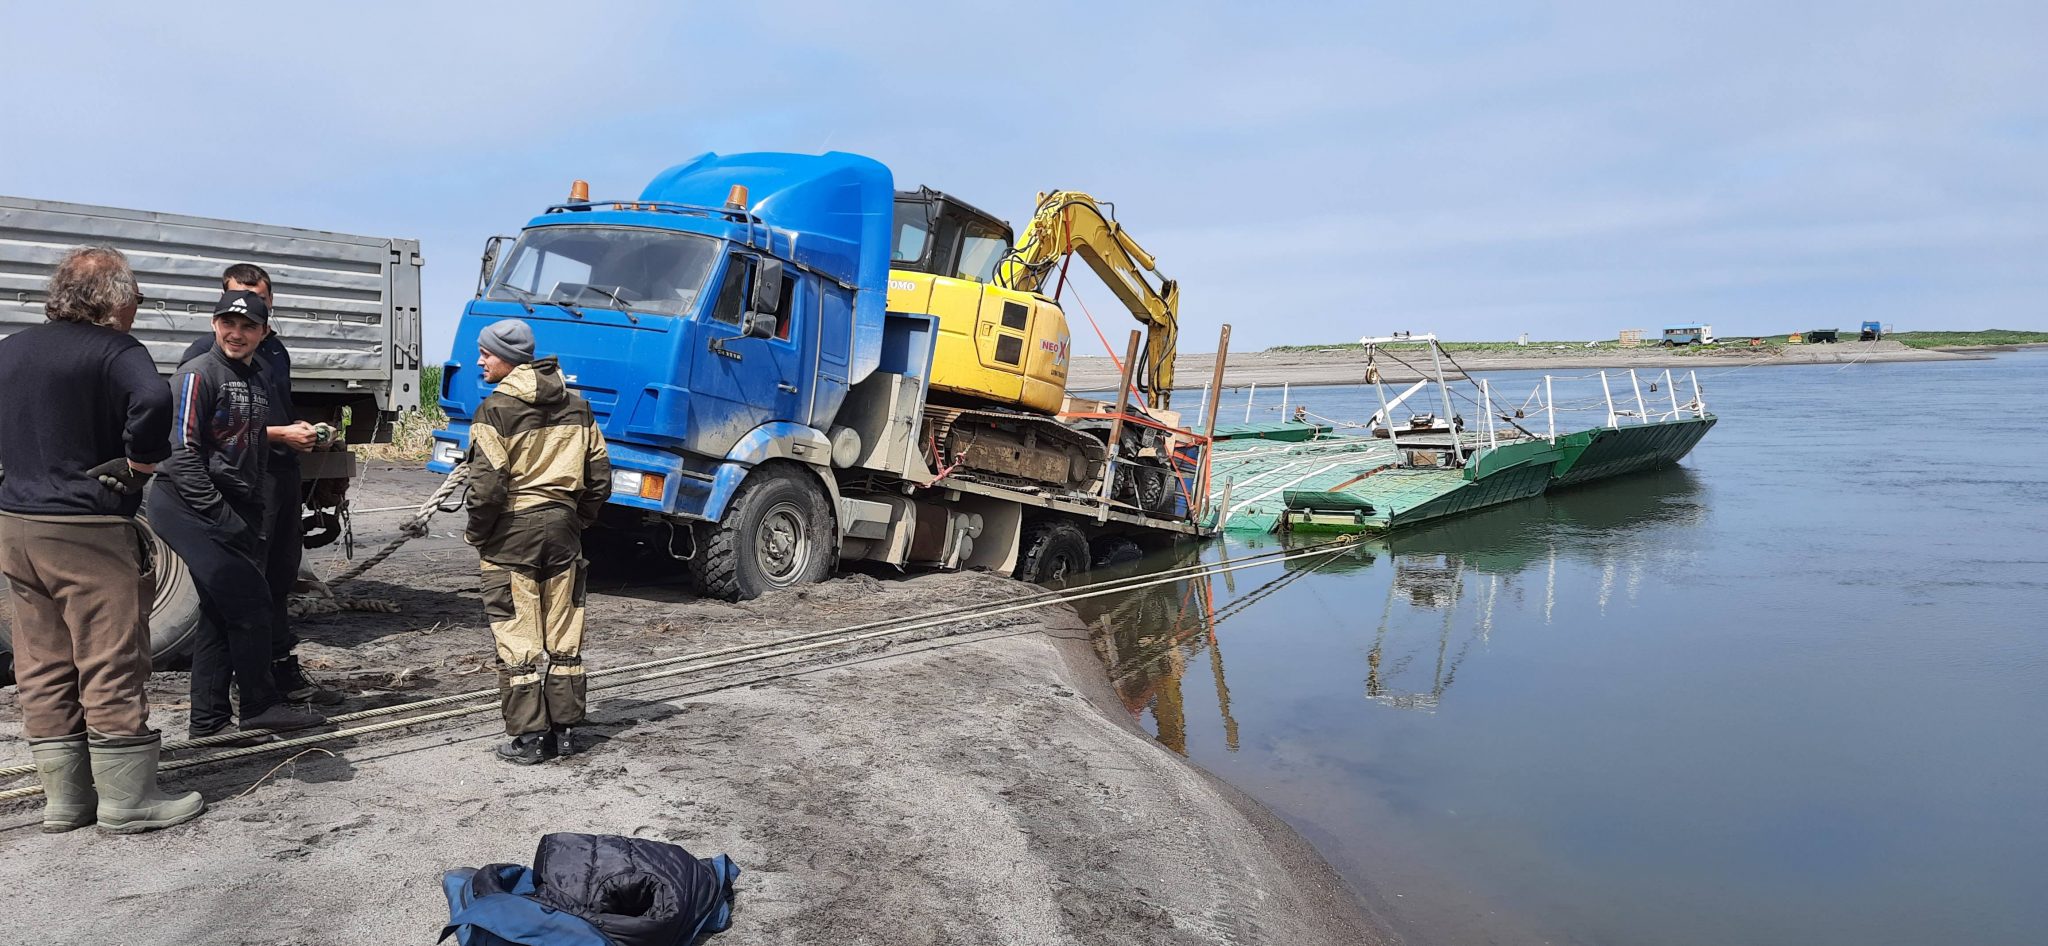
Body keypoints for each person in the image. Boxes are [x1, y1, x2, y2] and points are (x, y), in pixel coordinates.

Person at [0, 245, 205, 833]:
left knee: (40, 661)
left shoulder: (11, 349)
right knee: (110, 657)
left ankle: (66, 801)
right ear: (116, 301)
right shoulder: (116, 350)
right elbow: (155, 398)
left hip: (16, 525)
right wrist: (141, 463)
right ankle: (127, 801)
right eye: (136, 298)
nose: (136, 308)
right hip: (86, 529)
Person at [150, 290, 324, 740]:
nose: (237, 333)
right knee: (250, 600)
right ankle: (259, 705)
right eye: (228, 323)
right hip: (187, 506)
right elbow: (179, 456)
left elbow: (251, 445)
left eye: (248, 326)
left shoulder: (255, 380)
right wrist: (221, 515)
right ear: (214, 324)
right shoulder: (197, 375)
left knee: (219, 608)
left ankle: (208, 721)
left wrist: (252, 507)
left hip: (232, 504)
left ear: (264, 332)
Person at [178, 264, 339, 705]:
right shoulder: (204, 358)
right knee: (248, 583)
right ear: (218, 311)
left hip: (281, 474)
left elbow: (267, 410)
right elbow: (206, 432)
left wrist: (304, 431)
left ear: (269, 308)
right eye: (234, 308)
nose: (243, 319)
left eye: (257, 304)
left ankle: (281, 673)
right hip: (244, 480)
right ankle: (248, 686)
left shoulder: (275, 350)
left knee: (281, 575)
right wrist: (280, 434)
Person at [465, 319, 611, 764]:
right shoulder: (579, 407)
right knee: (564, 632)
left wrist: (478, 533)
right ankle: (565, 732)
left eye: (486, 353)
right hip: (564, 531)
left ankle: (529, 740)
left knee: (517, 634)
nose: (480, 360)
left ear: (508, 359)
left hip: (512, 534)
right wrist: (575, 519)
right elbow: (599, 478)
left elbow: (487, 489)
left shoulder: (494, 409)